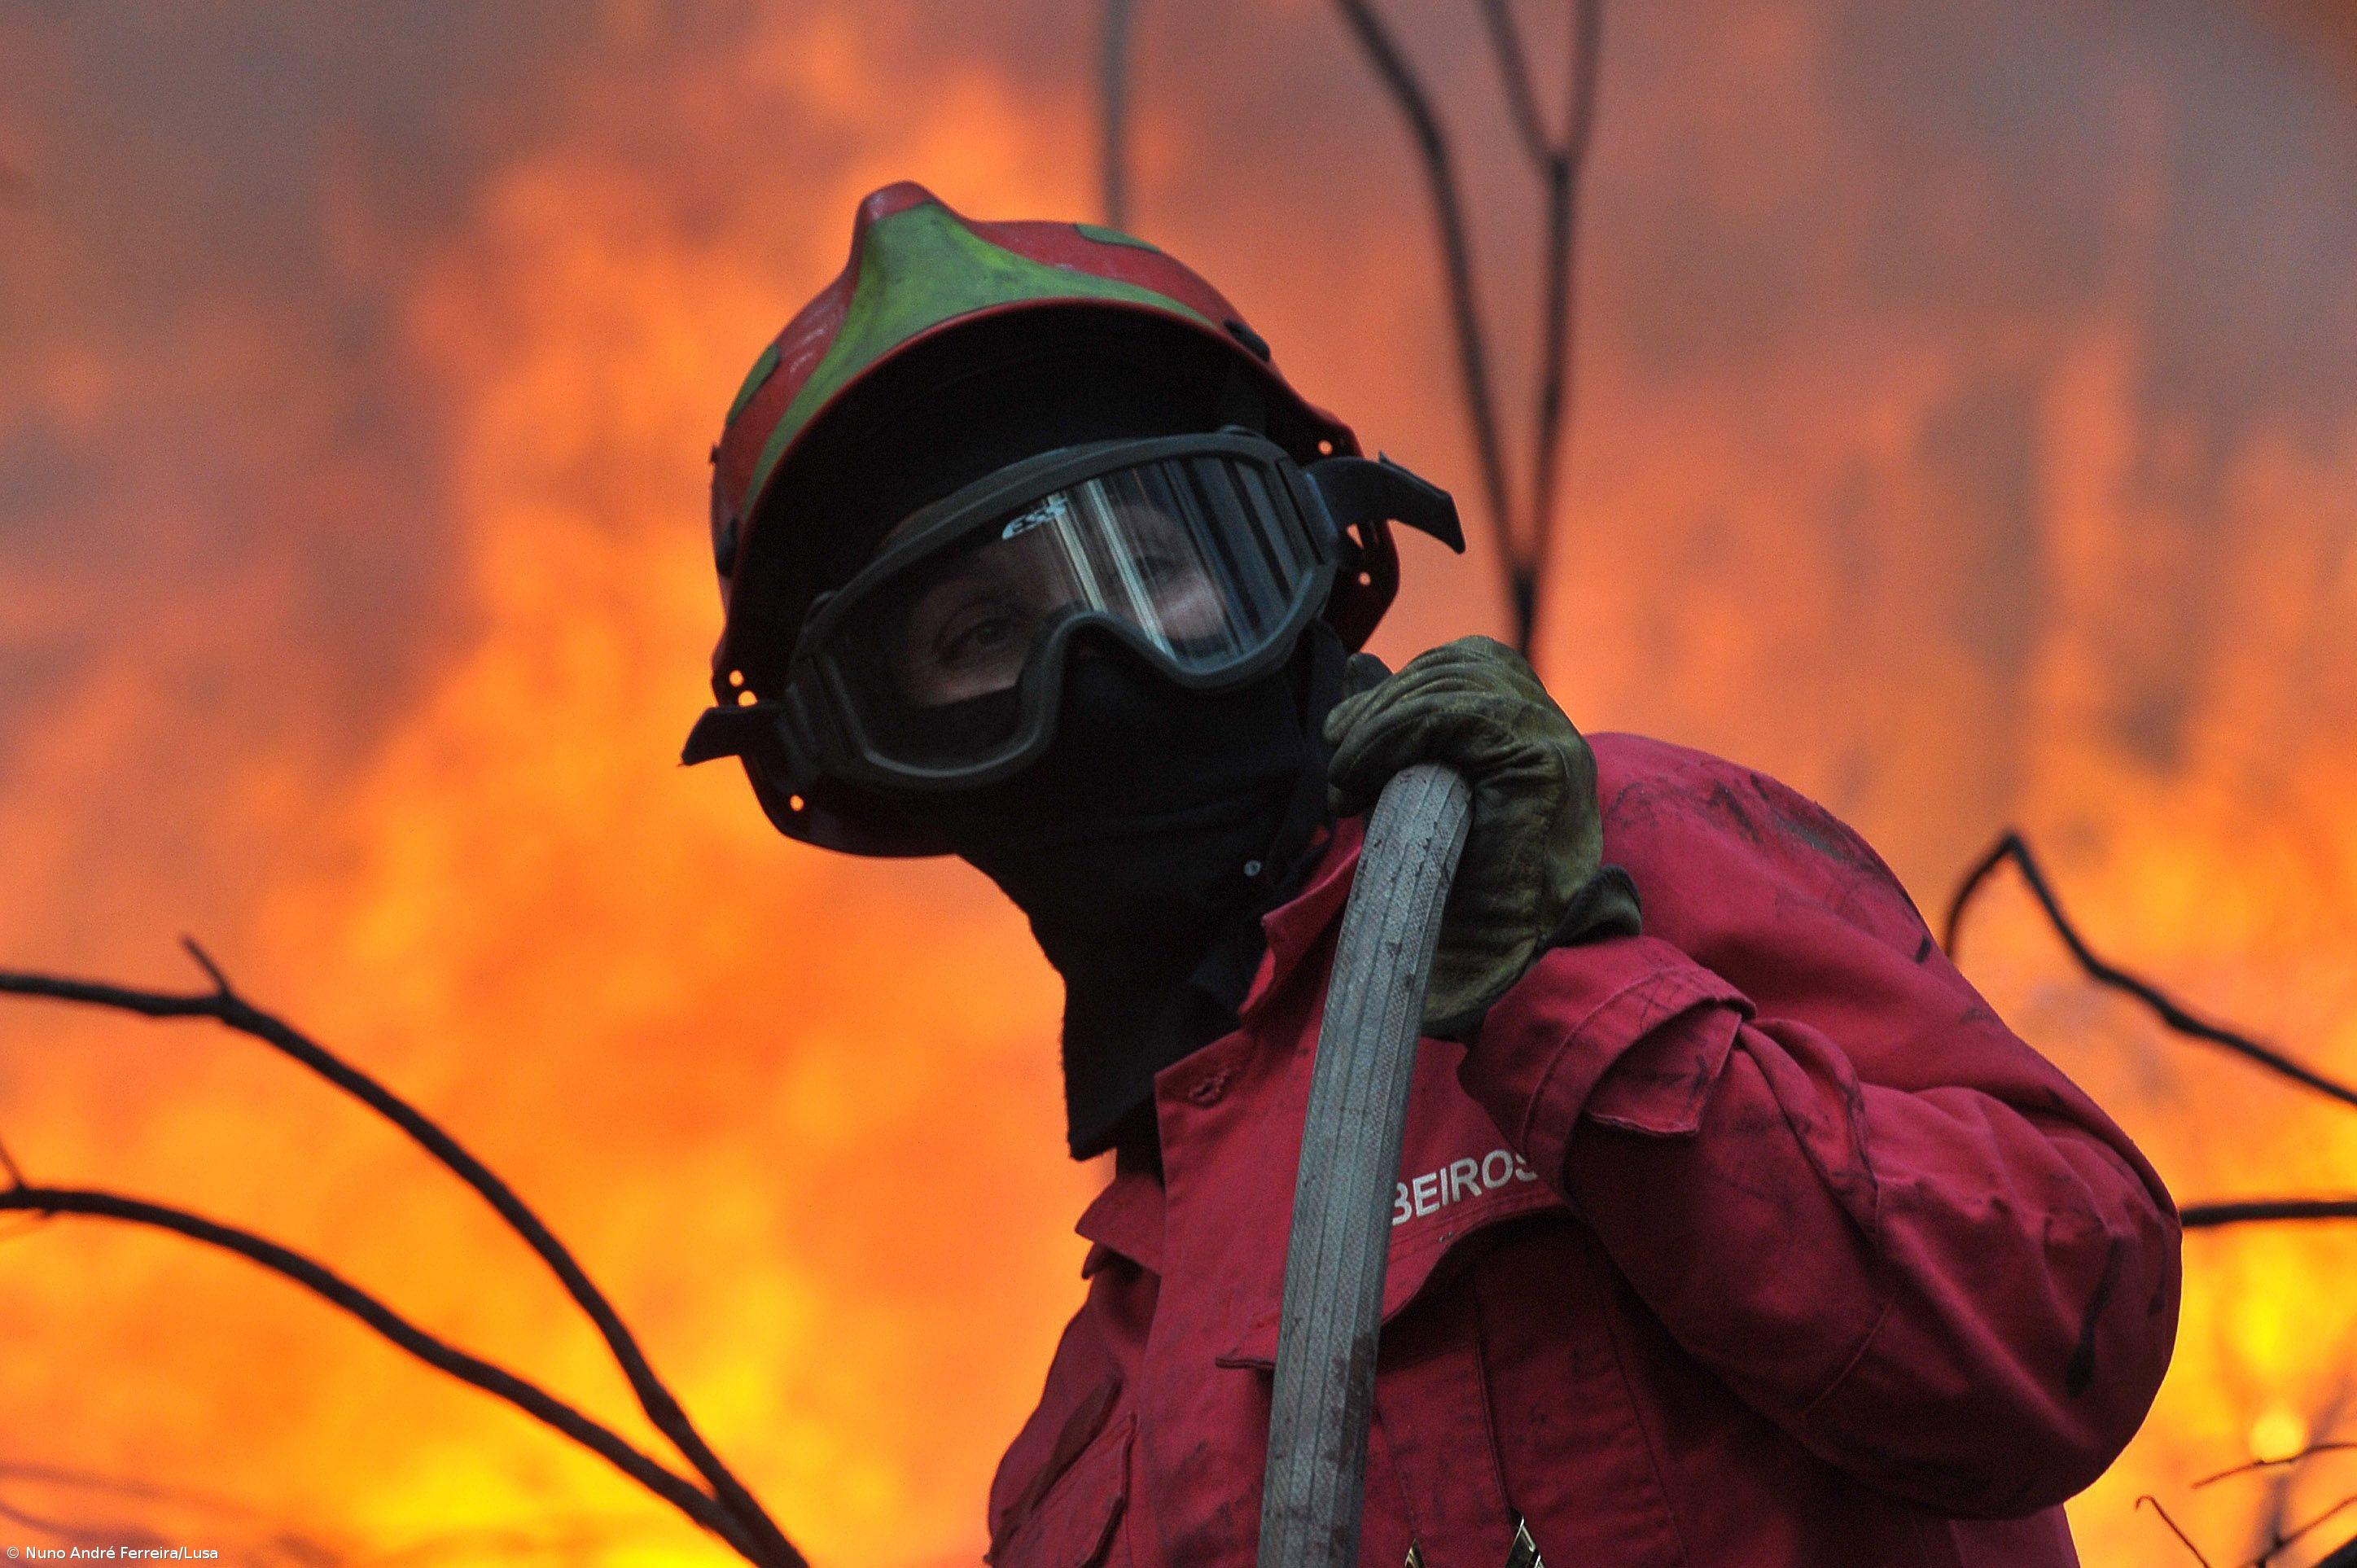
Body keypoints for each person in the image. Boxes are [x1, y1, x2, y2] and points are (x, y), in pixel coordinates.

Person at [684, 183, 2180, 1568]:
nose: (1095, 665)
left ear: (1303, 552)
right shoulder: (1084, 1440)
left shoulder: (1604, 852)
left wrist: (1583, 996)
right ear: (873, 765)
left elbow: (2067, 1322)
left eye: (1154, 562)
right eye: (974, 640)